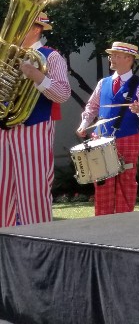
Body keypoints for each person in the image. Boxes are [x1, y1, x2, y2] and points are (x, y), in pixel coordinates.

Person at [0, 13, 71, 227]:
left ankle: (41, 243)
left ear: (37, 29)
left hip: (33, 129)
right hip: (3, 130)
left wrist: (37, 76)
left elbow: (63, 94)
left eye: (22, 24)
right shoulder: (5, 54)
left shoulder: (51, 57)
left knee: (33, 191)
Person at [77, 42, 139, 216]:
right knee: (102, 182)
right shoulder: (103, 83)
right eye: (111, 55)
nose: (111, 58)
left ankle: (124, 222)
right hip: (101, 139)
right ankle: (103, 222)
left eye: (116, 55)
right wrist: (84, 124)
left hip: (127, 137)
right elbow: (92, 106)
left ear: (129, 59)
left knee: (126, 181)